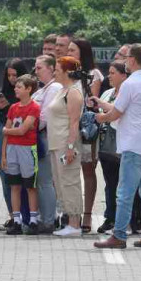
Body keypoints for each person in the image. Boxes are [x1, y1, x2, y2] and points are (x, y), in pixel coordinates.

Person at [93, 44, 141, 249]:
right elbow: (125, 108)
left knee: (124, 192)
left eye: (127, 57)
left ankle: (119, 235)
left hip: (134, 143)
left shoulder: (130, 83)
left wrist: (100, 118)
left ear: (132, 59)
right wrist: (104, 105)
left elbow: (117, 114)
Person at [44, 55, 84, 236]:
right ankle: (69, 220)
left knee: (70, 182)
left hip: (65, 143)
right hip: (55, 143)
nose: (55, 73)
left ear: (67, 72)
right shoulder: (62, 90)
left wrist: (70, 148)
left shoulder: (73, 92)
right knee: (60, 183)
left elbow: (74, 122)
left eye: (58, 70)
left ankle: (75, 223)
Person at [68, 37, 103, 232]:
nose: (69, 54)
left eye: (73, 51)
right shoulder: (65, 73)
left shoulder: (93, 74)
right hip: (68, 126)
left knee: (88, 170)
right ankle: (72, 212)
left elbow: (90, 101)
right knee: (69, 171)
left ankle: (88, 214)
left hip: (86, 127)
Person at [0, 58, 30, 231]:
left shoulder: (28, 90)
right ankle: (13, 215)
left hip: (22, 131)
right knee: (5, 174)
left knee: (24, 176)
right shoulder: (4, 91)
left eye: (15, 75)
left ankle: (27, 215)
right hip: (3, 131)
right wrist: (0, 107)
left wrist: (11, 106)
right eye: (9, 75)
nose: (12, 79)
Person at [1, 74, 41, 235]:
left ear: (29, 89)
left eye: (19, 87)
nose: (16, 89)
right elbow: (8, 133)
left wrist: (8, 131)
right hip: (12, 149)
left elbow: (22, 129)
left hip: (27, 149)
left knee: (30, 186)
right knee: (14, 185)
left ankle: (33, 220)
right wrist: (3, 155)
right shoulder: (13, 108)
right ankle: (16, 220)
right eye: (15, 87)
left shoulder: (34, 107)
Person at [95, 59, 130, 234]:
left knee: (123, 184)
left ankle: (127, 220)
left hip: (122, 144)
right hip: (106, 144)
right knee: (110, 183)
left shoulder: (128, 92)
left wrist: (103, 113)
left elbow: (116, 113)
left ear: (124, 75)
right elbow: (101, 113)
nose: (109, 76)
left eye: (113, 73)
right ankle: (110, 217)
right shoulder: (107, 93)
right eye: (108, 72)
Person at [31, 54, 62, 233]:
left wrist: (28, 126)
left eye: (40, 67)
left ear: (51, 68)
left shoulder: (54, 88)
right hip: (37, 136)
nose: (36, 71)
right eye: (36, 67)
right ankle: (46, 217)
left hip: (44, 137)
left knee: (45, 181)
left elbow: (45, 116)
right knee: (40, 181)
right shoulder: (41, 90)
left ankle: (49, 219)